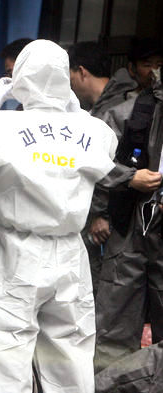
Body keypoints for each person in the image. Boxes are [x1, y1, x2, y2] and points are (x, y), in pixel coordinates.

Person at [0, 39, 117, 393]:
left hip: (18, 253)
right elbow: (107, 146)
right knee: (71, 357)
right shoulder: (93, 129)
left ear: (21, 79)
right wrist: (73, 110)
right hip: (70, 253)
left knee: (9, 358)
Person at [93, 68, 163, 371]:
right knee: (115, 320)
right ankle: (110, 385)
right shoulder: (130, 111)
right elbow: (92, 160)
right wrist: (99, 211)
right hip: (129, 223)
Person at [68, 41, 140, 292]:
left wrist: (101, 213)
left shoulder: (115, 110)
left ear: (81, 71)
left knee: (98, 286)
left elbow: (109, 166)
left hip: (108, 219)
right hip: (98, 215)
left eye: (71, 76)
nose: (70, 84)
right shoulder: (101, 106)